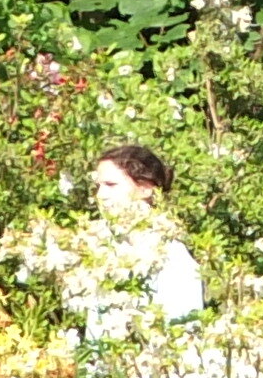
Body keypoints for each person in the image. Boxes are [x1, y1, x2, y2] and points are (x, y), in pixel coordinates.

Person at [77, 143, 206, 339]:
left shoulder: (171, 254)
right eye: (98, 186)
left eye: (111, 185)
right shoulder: (104, 245)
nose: (100, 195)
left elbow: (185, 333)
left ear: (146, 188)